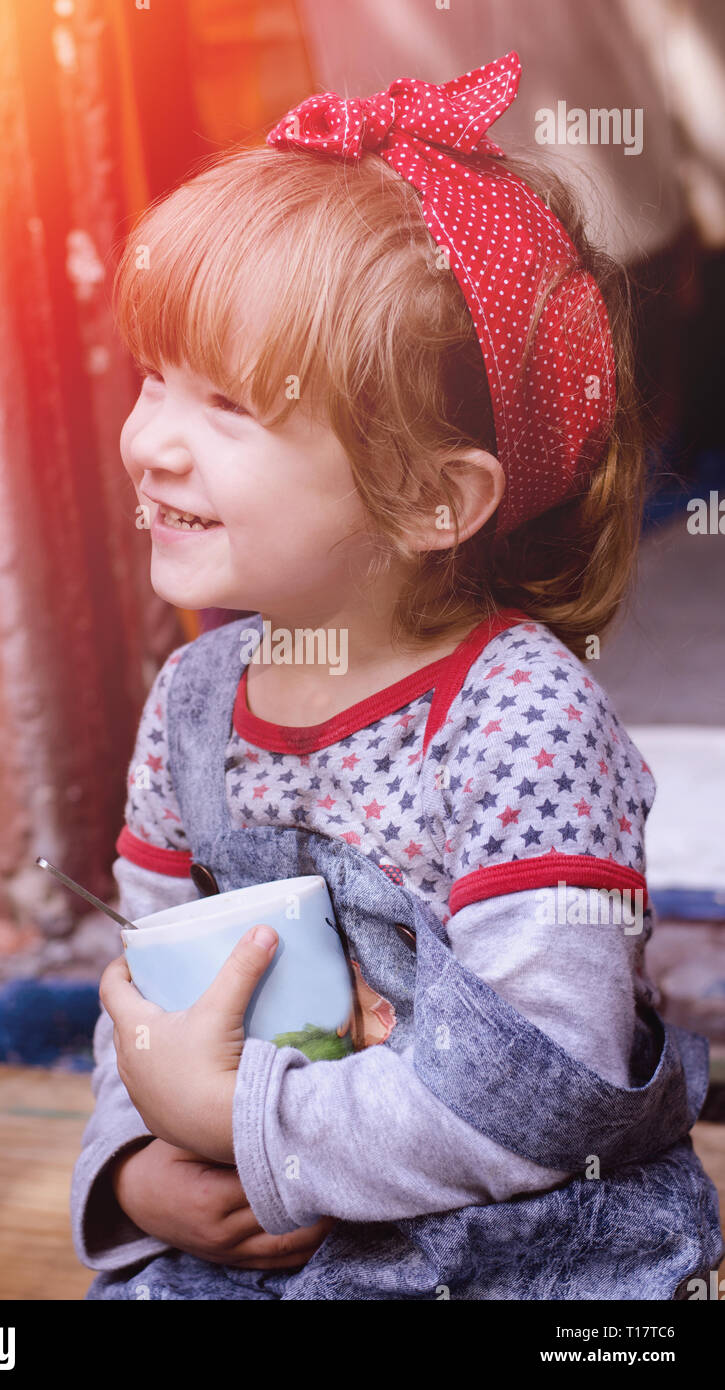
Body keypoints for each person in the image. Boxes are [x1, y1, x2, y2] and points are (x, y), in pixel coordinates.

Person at [70, 53, 723, 1300]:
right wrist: (142, 1163)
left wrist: (245, 1123)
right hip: (268, 1219)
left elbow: (541, 1084)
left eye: (227, 405)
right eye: (155, 376)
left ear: (432, 496)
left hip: (518, 1241)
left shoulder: (525, 723)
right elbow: (139, 994)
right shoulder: (197, 706)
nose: (149, 441)